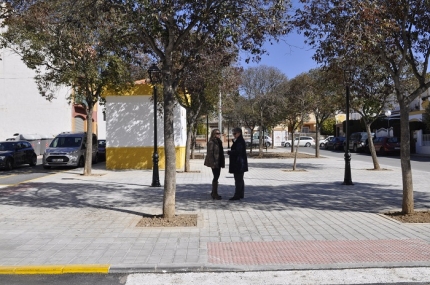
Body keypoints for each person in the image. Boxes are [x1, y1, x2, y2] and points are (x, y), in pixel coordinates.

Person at [227, 127, 248, 201]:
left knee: (238, 180)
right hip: (239, 163)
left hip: (239, 163)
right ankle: (240, 194)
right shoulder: (238, 141)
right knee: (240, 179)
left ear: (239, 133)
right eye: (233, 133)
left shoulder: (240, 141)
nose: (234, 135)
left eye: (235, 133)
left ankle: (237, 195)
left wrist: (230, 152)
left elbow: (237, 152)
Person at [204, 129, 225, 200]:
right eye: (217, 133)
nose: (219, 134)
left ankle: (214, 192)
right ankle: (214, 193)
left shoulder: (219, 141)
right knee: (216, 176)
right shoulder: (211, 142)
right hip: (214, 162)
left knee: (217, 176)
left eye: (219, 133)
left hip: (219, 161)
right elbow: (210, 154)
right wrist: (213, 163)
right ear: (213, 134)